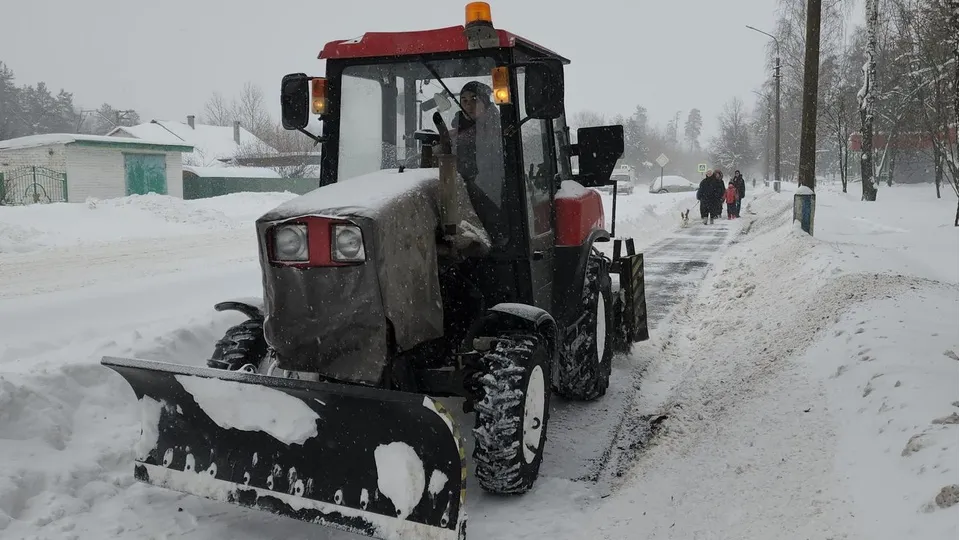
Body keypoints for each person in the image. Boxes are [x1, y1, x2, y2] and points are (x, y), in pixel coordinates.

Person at [449, 81, 506, 243]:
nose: (469, 105)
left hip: (492, 193)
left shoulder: (495, 125)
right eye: (464, 100)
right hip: (465, 188)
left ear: (485, 101)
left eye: (474, 99)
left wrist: (457, 135)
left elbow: (486, 143)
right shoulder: (460, 127)